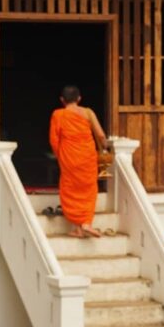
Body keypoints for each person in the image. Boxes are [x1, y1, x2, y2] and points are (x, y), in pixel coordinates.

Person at [49, 85, 107, 238]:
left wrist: (61, 155)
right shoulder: (88, 112)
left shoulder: (58, 114)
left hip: (69, 158)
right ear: (79, 99)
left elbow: (54, 140)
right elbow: (101, 135)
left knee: (70, 189)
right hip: (87, 157)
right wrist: (106, 147)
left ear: (62, 100)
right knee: (89, 189)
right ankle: (85, 224)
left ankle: (78, 228)